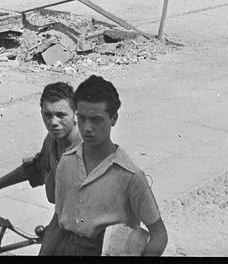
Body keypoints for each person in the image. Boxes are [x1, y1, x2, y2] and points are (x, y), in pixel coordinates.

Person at [44, 75, 168, 257]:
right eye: (82, 118)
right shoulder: (67, 162)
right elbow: (58, 220)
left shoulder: (130, 177)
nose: (87, 127)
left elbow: (159, 235)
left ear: (114, 118)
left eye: (96, 120)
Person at [0, 82, 81, 215]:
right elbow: (37, 167)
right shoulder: (52, 140)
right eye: (48, 115)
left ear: (76, 114)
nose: (53, 122)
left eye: (61, 115)